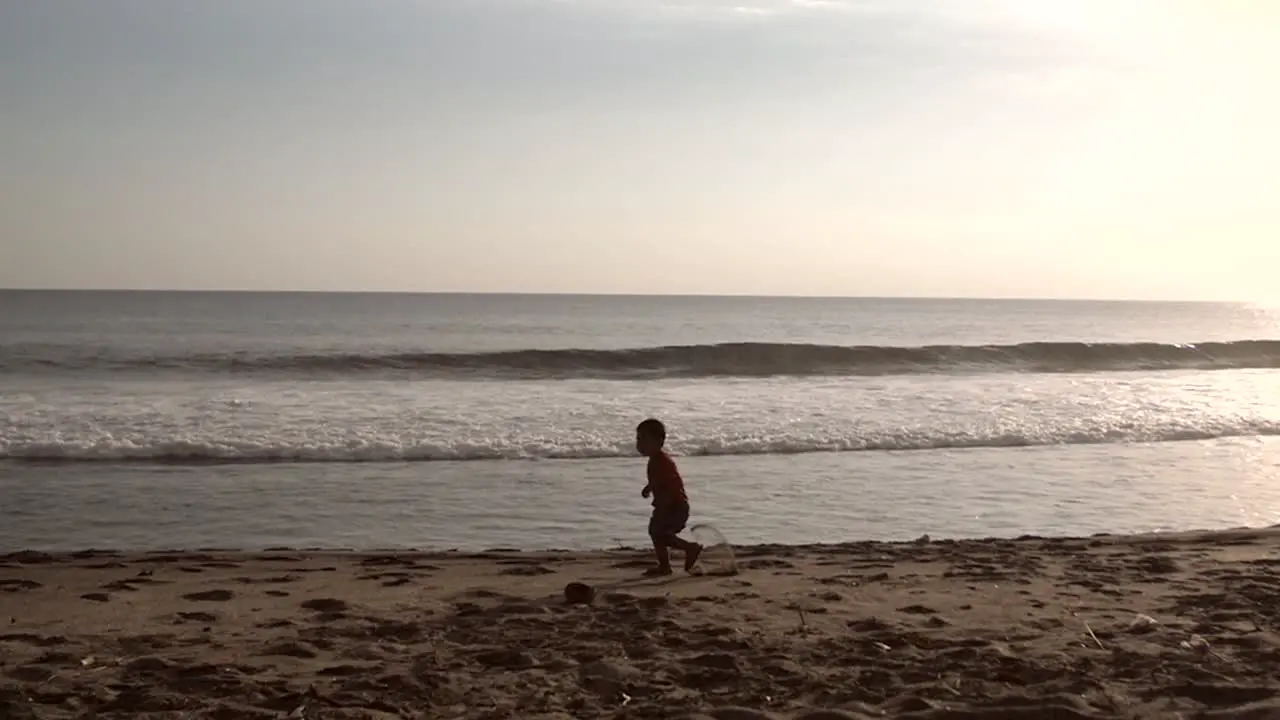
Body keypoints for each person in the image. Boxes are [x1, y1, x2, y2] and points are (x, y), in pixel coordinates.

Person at [636, 418, 702, 576]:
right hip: (665, 506)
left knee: (661, 534)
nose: (639, 444)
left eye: (644, 439)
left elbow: (671, 484)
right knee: (656, 533)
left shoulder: (663, 461)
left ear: (659, 441)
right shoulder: (654, 461)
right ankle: (664, 566)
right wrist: (649, 488)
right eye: (638, 439)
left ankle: (690, 548)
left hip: (674, 506)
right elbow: (658, 480)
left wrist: (664, 505)